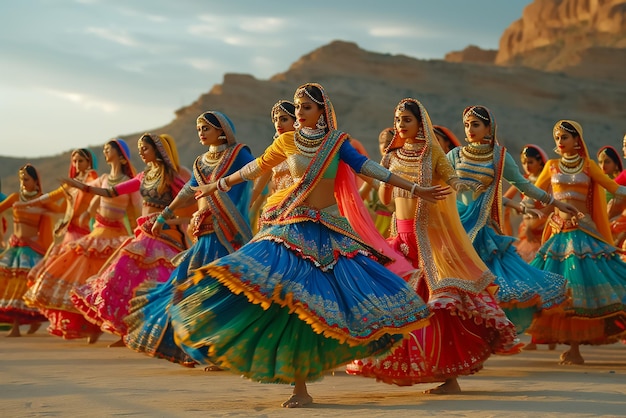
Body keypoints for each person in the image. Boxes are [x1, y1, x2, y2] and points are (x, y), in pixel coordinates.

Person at [168, 83, 450, 408]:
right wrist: (218, 184)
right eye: (298, 107)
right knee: (293, 305)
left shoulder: (336, 142)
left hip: (329, 232)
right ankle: (299, 387)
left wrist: (415, 189)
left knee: (337, 302)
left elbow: (367, 167)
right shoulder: (287, 141)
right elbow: (255, 167)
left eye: (306, 107)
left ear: (321, 112)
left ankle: (333, 363)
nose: (299, 113)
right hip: (291, 229)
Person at [347, 98, 519, 394]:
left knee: (436, 309)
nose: (401, 125)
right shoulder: (393, 155)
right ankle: (404, 365)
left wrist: (470, 187)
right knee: (397, 305)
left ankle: (449, 378)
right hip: (399, 241)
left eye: (407, 120)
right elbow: (386, 201)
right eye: (398, 120)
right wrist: (386, 174)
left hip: (427, 239)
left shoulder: (433, 154)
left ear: (420, 123)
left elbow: (453, 183)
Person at [123, 111, 254, 367]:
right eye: (198, 129)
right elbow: (187, 191)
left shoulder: (238, 154)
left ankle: (224, 352)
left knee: (218, 293)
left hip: (226, 235)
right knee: (183, 288)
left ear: (222, 131)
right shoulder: (200, 161)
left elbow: (255, 170)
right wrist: (165, 216)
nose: (201, 133)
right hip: (203, 234)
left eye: (206, 128)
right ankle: (194, 349)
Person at [446, 105, 577, 334]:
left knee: (488, 284)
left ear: (489, 128)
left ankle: (485, 334)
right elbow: (437, 183)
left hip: (482, 231)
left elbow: (523, 184)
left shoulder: (499, 156)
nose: (469, 129)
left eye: (475, 124)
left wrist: (554, 202)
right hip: (455, 227)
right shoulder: (454, 155)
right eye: (466, 125)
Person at [68, 134, 189, 347]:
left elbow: (190, 200)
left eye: (145, 148)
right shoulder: (144, 176)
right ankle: (125, 333)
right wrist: (83, 187)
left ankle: (164, 332)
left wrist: (172, 220)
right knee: (121, 278)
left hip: (166, 236)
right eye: (140, 148)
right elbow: (111, 191)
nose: (141, 152)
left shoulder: (172, 176)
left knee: (161, 284)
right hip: (144, 234)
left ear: (157, 151)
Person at [527, 120, 626, 365]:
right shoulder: (550, 166)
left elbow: (614, 188)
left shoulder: (589, 165)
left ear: (577, 141)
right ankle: (574, 349)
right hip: (559, 235)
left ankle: (575, 349)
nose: (559, 142)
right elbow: (533, 193)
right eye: (557, 138)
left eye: (564, 138)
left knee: (585, 291)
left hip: (585, 234)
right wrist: (530, 211)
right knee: (566, 294)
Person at [24, 139, 140, 343]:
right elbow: (87, 190)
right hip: (97, 234)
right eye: (104, 149)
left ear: (121, 156)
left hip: (115, 236)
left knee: (113, 284)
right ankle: (91, 325)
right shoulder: (103, 179)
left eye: (109, 149)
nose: (105, 151)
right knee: (83, 280)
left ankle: (121, 330)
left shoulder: (129, 183)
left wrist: (137, 236)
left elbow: (134, 213)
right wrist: (86, 208)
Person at [18, 149, 99, 292]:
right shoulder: (71, 183)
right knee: (56, 269)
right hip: (68, 232)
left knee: (76, 273)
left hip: (82, 233)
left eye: (80, 161)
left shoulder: (93, 182)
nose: (77, 164)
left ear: (89, 162)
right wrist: (29, 204)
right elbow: (54, 196)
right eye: (74, 161)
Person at [0, 164, 62, 336]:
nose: (23, 183)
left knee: (24, 288)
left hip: (32, 250)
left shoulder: (43, 200)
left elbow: (61, 210)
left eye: (26, 179)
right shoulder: (15, 198)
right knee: (10, 285)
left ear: (36, 181)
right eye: (21, 179)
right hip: (14, 248)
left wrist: (71, 194)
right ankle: (19, 324)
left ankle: (19, 325)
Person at [249, 100, 296, 233]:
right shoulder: (273, 151)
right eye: (275, 120)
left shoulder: (304, 148)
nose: (278, 124)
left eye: (284, 119)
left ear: (296, 120)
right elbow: (259, 186)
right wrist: (247, 205)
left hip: (299, 208)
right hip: (275, 209)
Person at [502, 145, 550, 263]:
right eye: (523, 163)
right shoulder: (523, 180)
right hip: (526, 226)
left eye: (530, 162)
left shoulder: (547, 180)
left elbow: (551, 204)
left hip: (543, 225)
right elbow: (505, 198)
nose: (526, 166)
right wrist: (516, 207)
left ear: (540, 162)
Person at [359, 127, 396, 238]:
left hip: (393, 226)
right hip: (374, 227)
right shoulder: (374, 169)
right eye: (381, 142)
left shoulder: (402, 171)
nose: (385, 146)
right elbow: (359, 198)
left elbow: (393, 205)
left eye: (389, 142)